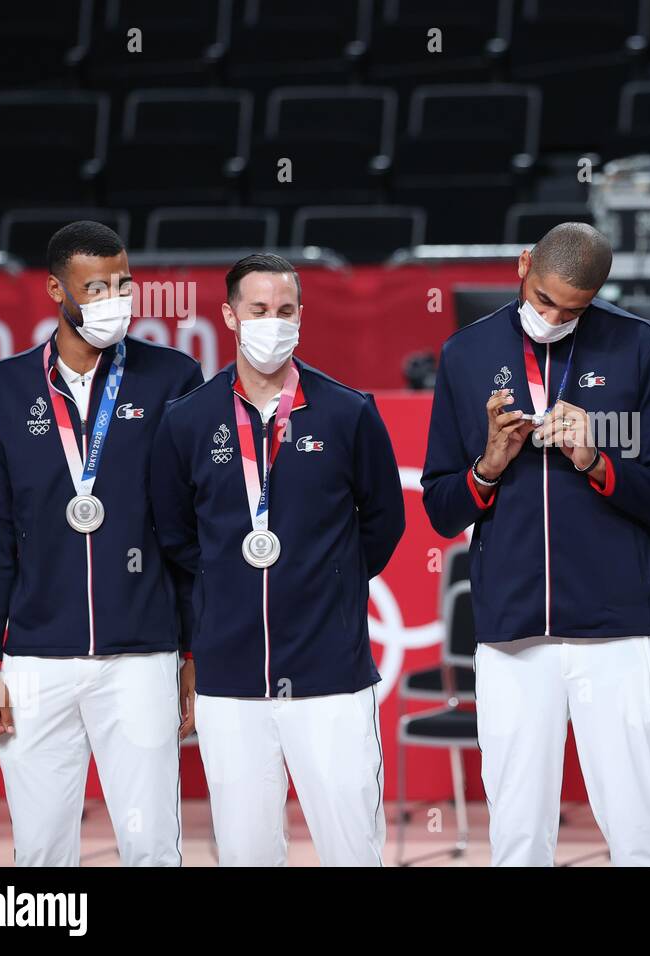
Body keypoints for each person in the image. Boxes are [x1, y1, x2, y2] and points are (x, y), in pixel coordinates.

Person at [421, 222, 650, 866]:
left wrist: (597, 459)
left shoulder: (639, 347)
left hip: (618, 632)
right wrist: (487, 466)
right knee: (517, 832)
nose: (553, 318)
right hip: (512, 630)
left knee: (636, 826)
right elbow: (440, 508)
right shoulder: (466, 354)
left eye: (573, 309)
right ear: (524, 266)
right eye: (544, 300)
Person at [150, 254, 405, 866]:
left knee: (352, 850)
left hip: (331, 679)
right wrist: (230, 582)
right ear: (230, 315)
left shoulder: (349, 413)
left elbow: (384, 523)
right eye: (259, 310)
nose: (273, 322)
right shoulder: (187, 421)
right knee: (244, 854)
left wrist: (328, 578)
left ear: (301, 316)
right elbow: (176, 533)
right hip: (229, 682)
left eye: (285, 310)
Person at [0, 221, 202, 866]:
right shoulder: (6, 388)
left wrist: (190, 649)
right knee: (41, 853)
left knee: (152, 846)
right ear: (55, 290)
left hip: (141, 655)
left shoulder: (172, 379)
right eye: (95, 287)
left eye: (122, 283)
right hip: (36, 659)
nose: (114, 300)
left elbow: (190, 533)